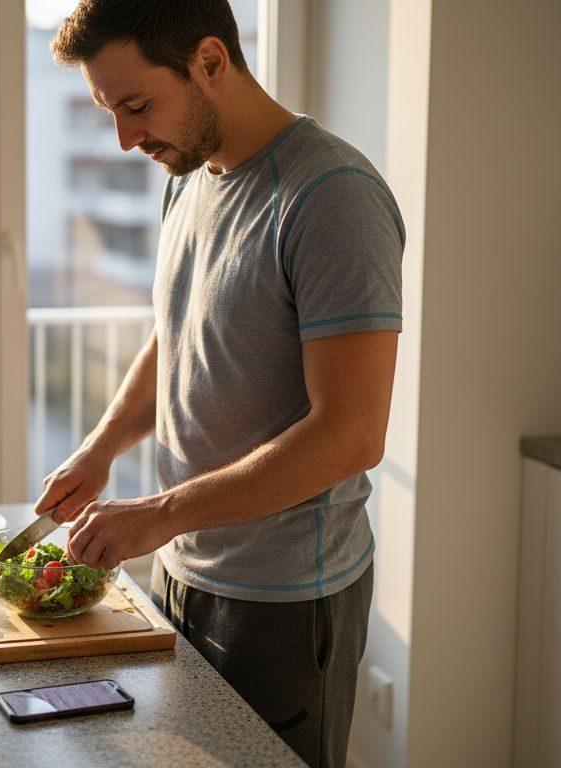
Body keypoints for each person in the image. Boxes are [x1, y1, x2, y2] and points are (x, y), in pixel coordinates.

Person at [37, 1, 403, 766]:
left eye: (136, 106)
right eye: (109, 111)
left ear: (211, 61)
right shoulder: (190, 174)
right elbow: (176, 335)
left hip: (285, 603)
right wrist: (101, 451)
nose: (126, 137)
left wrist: (160, 512)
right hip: (181, 570)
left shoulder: (330, 195)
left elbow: (352, 435)